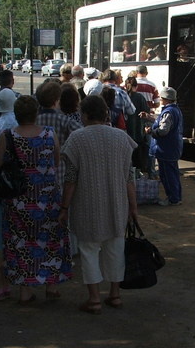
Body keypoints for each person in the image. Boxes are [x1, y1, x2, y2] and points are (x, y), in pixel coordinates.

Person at [59, 95, 138, 314]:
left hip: (87, 207)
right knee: (115, 249)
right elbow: (129, 177)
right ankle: (115, 294)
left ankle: (94, 299)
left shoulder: (76, 139)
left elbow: (71, 179)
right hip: (117, 205)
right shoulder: (121, 138)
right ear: (106, 114)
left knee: (89, 250)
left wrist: (64, 208)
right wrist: (133, 206)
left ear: (84, 114)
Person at [0, 95, 73, 303]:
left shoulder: (7, 135)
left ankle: (25, 291)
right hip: (47, 196)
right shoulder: (49, 134)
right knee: (50, 241)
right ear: (36, 114)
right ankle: (51, 286)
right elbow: (55, 162)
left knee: (21, 242)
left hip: (18, 199)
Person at [142, 86, 184, 206]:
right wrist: (149, 117)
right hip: (172, 147)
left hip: (165, 148)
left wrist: (151, 131)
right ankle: (176, 197)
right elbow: (163, 122)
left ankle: (172, 199)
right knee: (173, 173)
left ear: (166, 99)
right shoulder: (174, 110)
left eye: (162, 98)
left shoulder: (168, 112)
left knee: (167, 175)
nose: (160, 100)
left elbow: (163, 130)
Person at [124, 76, 151, 176]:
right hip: (137, 131)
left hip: (126, 131)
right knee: (137, 156)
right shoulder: (139, 97)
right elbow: (146, 112)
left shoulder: (124, 96)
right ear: (136, 86)